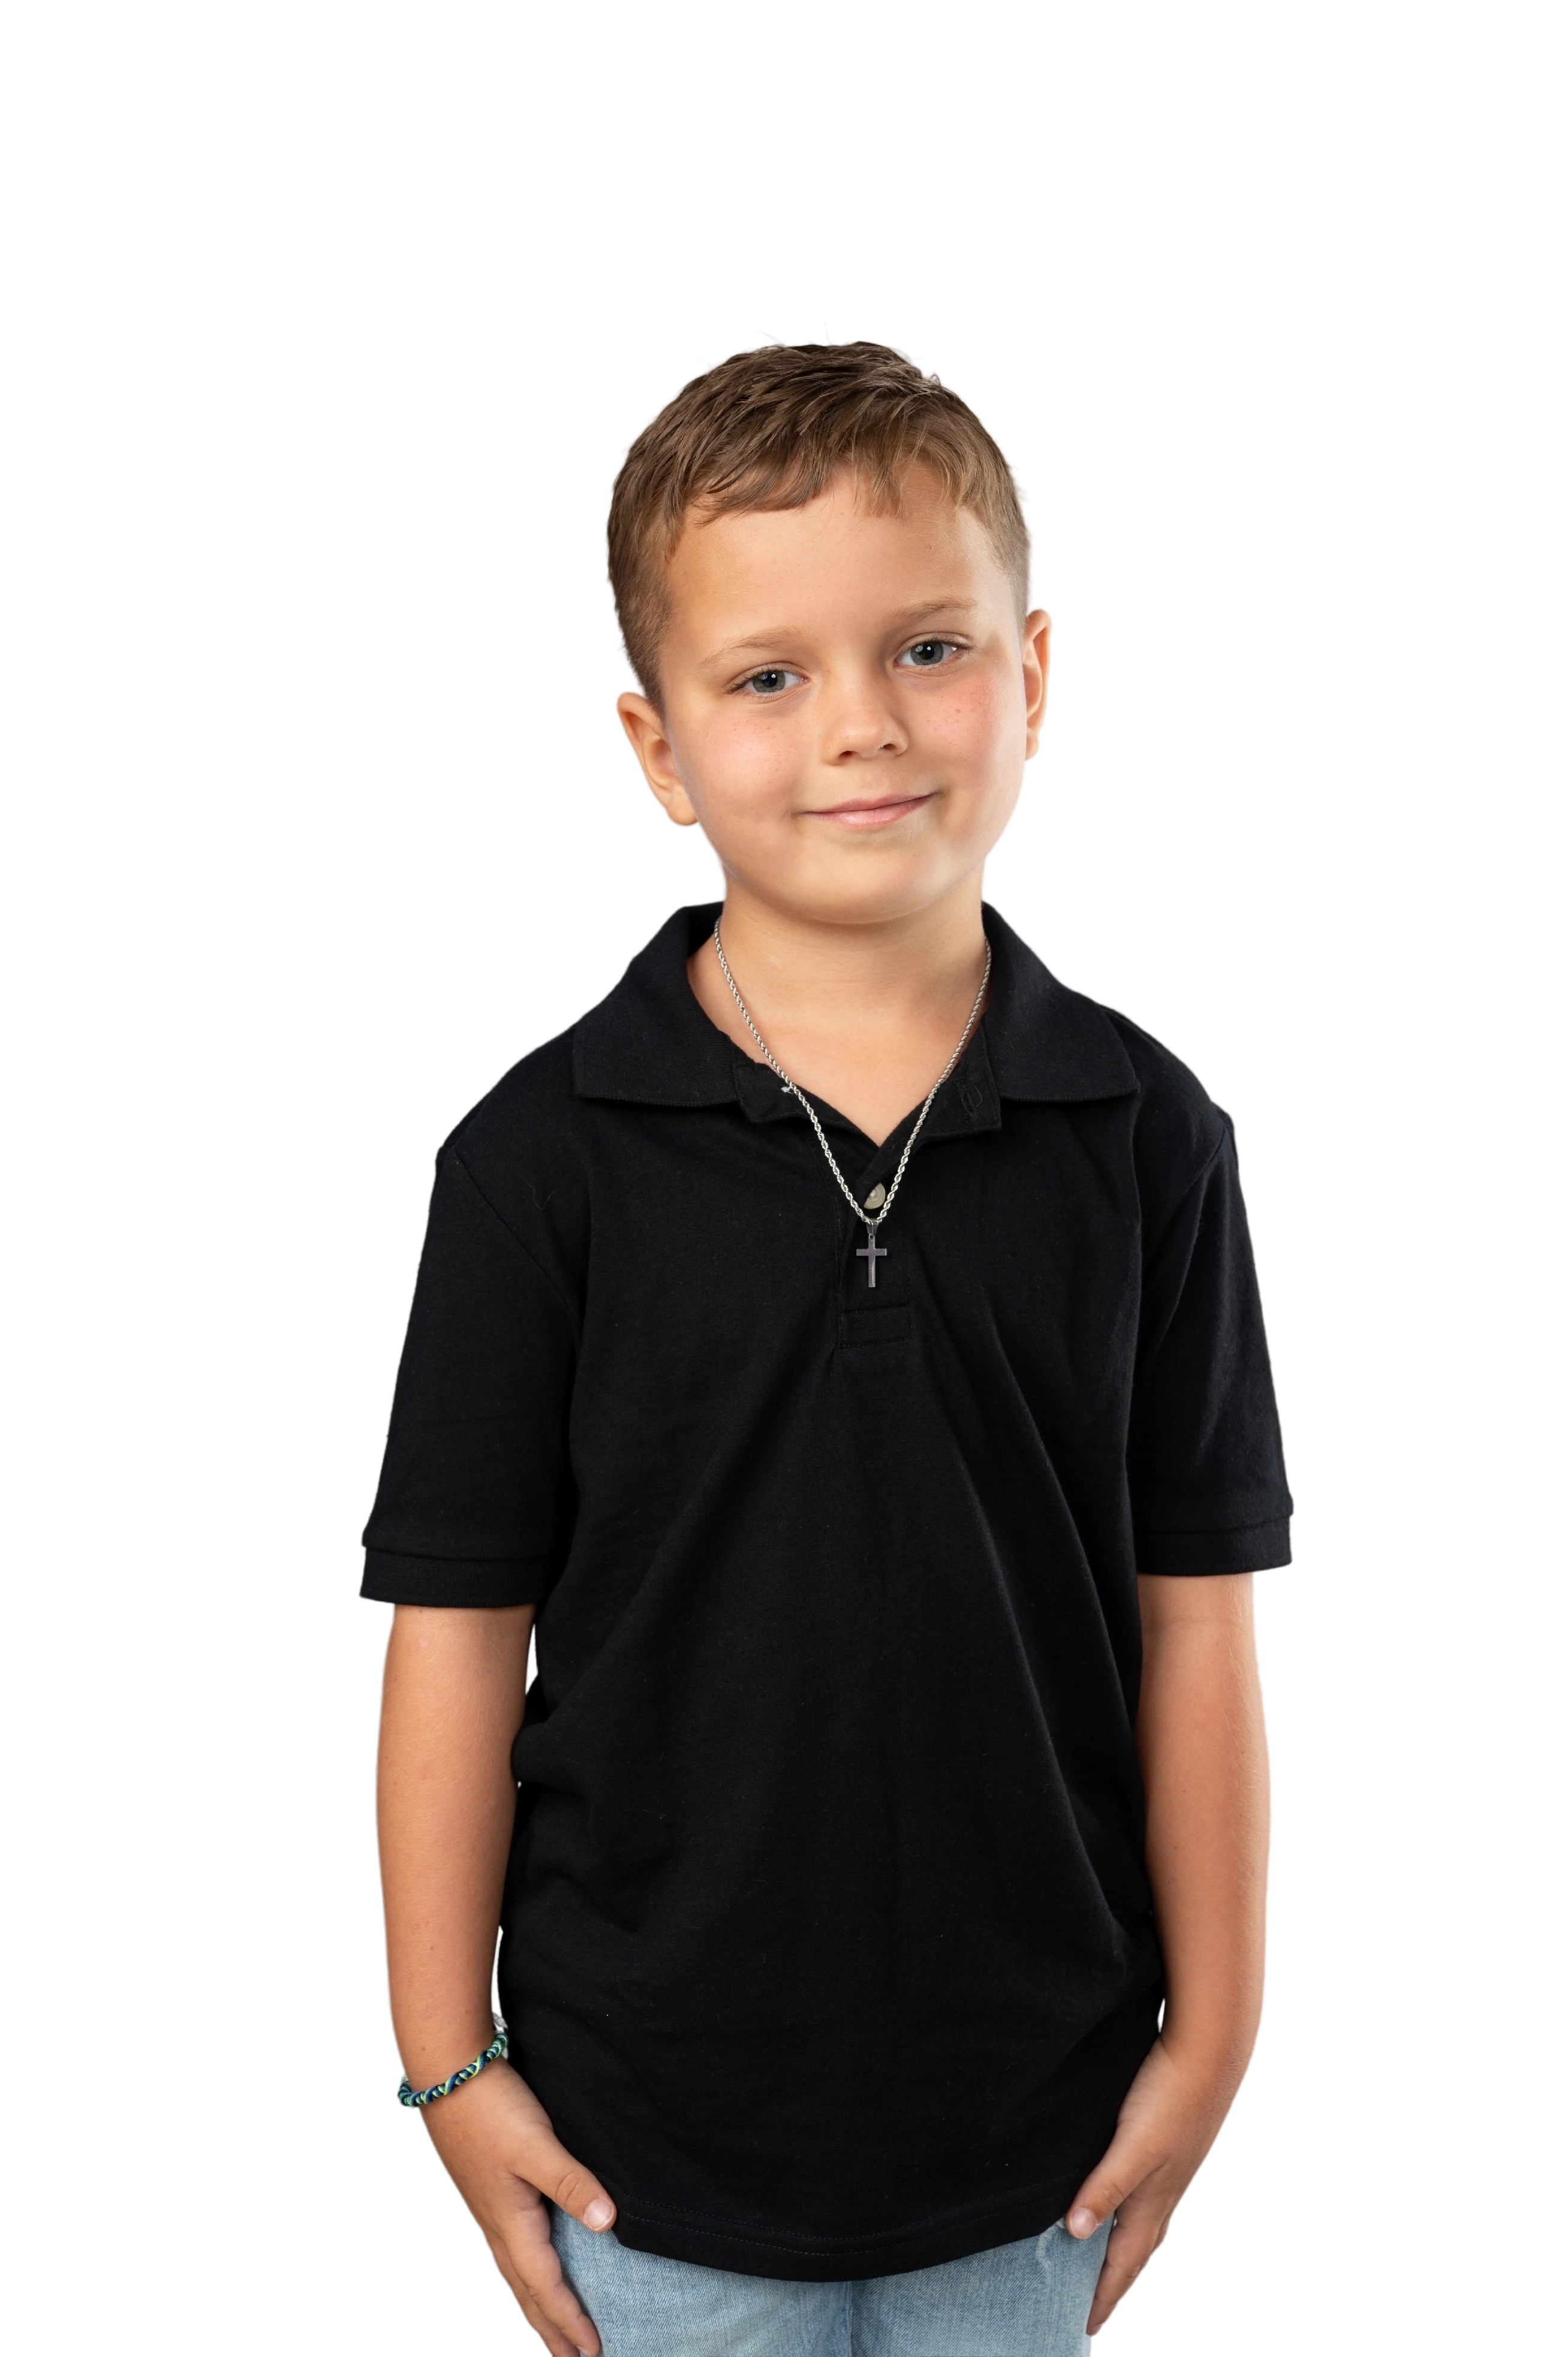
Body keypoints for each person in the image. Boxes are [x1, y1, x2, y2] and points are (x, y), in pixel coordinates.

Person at [357, 334, 1290, 2357]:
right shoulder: (532, 1159)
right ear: (658, 748)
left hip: (1038, 2134)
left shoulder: (1151, 1137)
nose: (860, 725)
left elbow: (1195, 1620)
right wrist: (448, 2066)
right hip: (638, 2139)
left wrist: (1215, 2036)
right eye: (766, 676)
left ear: (1034, 676)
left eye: (926, 649)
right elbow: (456, 1633)